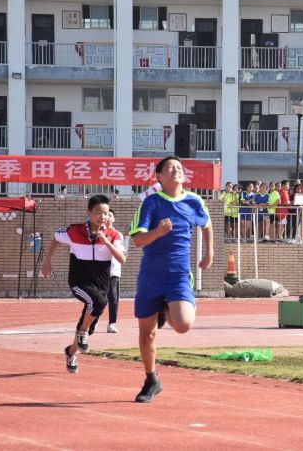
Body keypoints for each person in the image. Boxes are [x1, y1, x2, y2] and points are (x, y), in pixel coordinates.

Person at [129, 156, 213, 403]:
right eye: (169, 168)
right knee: (147, 333)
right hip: (151, 274)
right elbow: (137, 240)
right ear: (158, 176)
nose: (175, 170)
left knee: (184, 324)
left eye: (179, 168)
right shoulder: (151, 203)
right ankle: (151, 379)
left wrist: (210, 252)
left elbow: (206, 224)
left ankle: (167, 308)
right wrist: (158, 232)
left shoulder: (194, 200)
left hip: (178, 274)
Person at [41, 194, 125, 374]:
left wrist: (107, 242)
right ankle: (82, 333)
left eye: (105, 213)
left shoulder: (114, 235)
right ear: (89, 212)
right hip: (79, 282)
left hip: (101, 285)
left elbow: (122, 259)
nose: (102, 216)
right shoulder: (75, 231)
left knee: (91, 317)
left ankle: (71, 351)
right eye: (97, 212)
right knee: (98, 303)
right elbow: (56, 238)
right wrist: (47, 261)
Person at [106, 209, 126, 334]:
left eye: (110, 215)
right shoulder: (98, 232)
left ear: (114, 219)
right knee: (98, 298)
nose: (108, 217)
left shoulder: (118, 234)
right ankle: (93, 320)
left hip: (114, 270)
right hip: (99, 271)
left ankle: (112, 324)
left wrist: (124, 254)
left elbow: (122, 250)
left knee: (113, 298)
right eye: (106, 214)